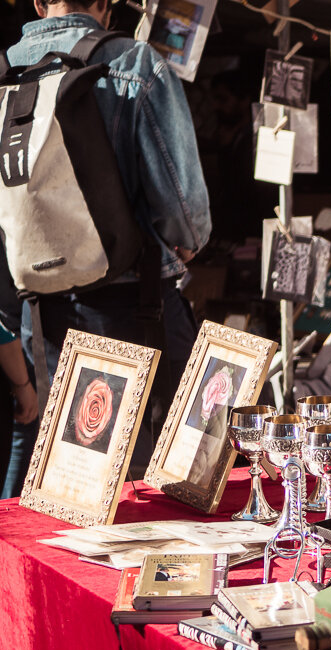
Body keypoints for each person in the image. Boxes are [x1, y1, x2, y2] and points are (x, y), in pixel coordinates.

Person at [1, 0, 211, 490]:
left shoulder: (7, 71)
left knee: (73, 486)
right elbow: (185, 214)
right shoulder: (133, 62)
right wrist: (185, 246)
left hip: (41, 315)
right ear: (105, 4)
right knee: (167, 481)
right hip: (137, 305)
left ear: (37, 2)